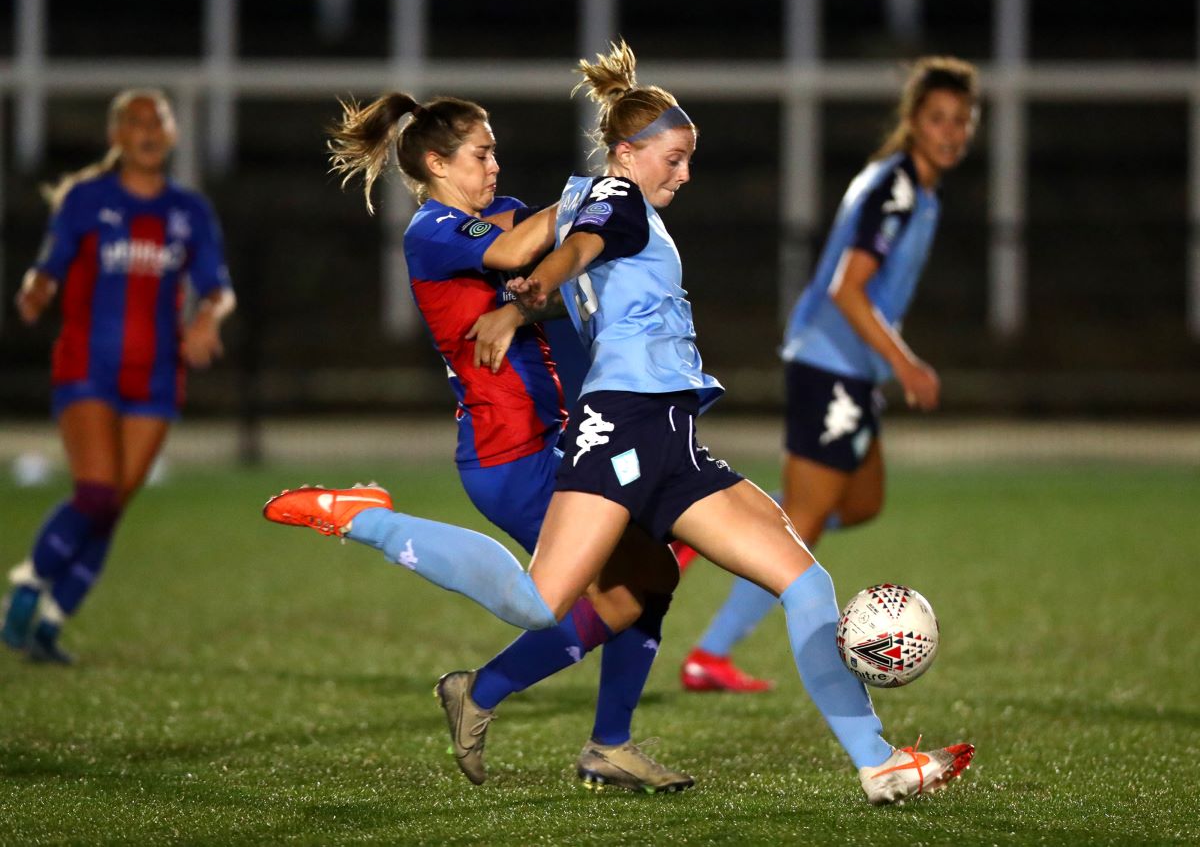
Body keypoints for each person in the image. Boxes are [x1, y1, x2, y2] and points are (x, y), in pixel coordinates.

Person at [267, 41, 974, 805]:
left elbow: (565, 229)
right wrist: (531, 288)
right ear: (631, 153)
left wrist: (541, 268)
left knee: (802, 578)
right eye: (674, 157)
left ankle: (876, 763)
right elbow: (580, 242)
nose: (686, 173)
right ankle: (370, 523)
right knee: (544, 601)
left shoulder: (603, 193)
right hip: (608, 431)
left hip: (667, 433)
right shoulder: (605, 198)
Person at [269, 91, 691, 792]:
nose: (495, 166)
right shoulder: (432, 230)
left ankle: (593, 741)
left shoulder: (504, 212)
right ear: (436, 163)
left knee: (646, 582)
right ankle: (367, 520)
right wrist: (600, 191)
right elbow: (520, 250)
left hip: (563, 438)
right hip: (510, 453)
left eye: (495, 151)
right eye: (481, 154)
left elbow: (562, 273)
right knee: (581, 602)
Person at [678, 55, 980, 695]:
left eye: (961, 119)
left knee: (861, 503)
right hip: (831, 363)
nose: (951, 132)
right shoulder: (895, 187)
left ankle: (715, 532)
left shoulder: (919, 188)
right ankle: (710, 652)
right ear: (913, 122)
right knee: (806, 522)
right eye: (938, 119)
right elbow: (848, 288)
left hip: (852, 369)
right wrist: (906, 363)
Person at [2, 89, 235, 663]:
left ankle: (52, 625)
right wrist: (35, 289)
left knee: (112, 507)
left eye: (158, 120)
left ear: (173, 135)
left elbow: (218, 288)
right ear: (117, 137)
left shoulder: (190, 211)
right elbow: (48, 265)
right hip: (89, 366)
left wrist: (207, 318)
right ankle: (30, 582)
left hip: (156, 375)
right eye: (135, 121)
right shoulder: (86, 199)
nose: (148, 129)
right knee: (97, 491)